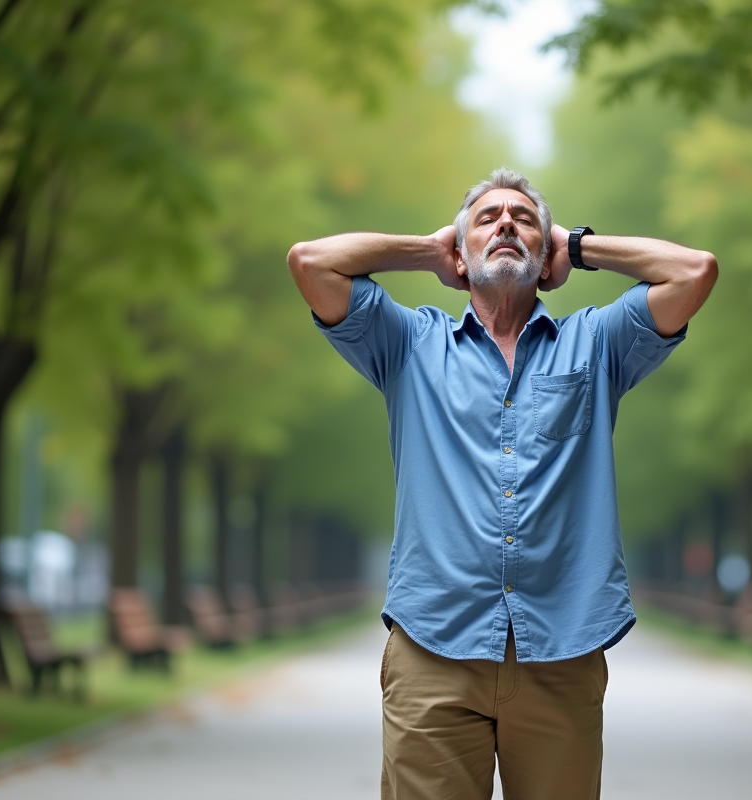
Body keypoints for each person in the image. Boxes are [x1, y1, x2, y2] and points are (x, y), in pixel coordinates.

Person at [286, 167, 717, 800]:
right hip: (434, 648)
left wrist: (580, 246)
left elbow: (694, 271)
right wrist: (432, 249)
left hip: (562, 651)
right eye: (487, 218)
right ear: (461, 254)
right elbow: (311, 262)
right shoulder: (408, 343)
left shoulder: (596, 344)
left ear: (547, 259)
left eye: (524, 219)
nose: (507, 223)